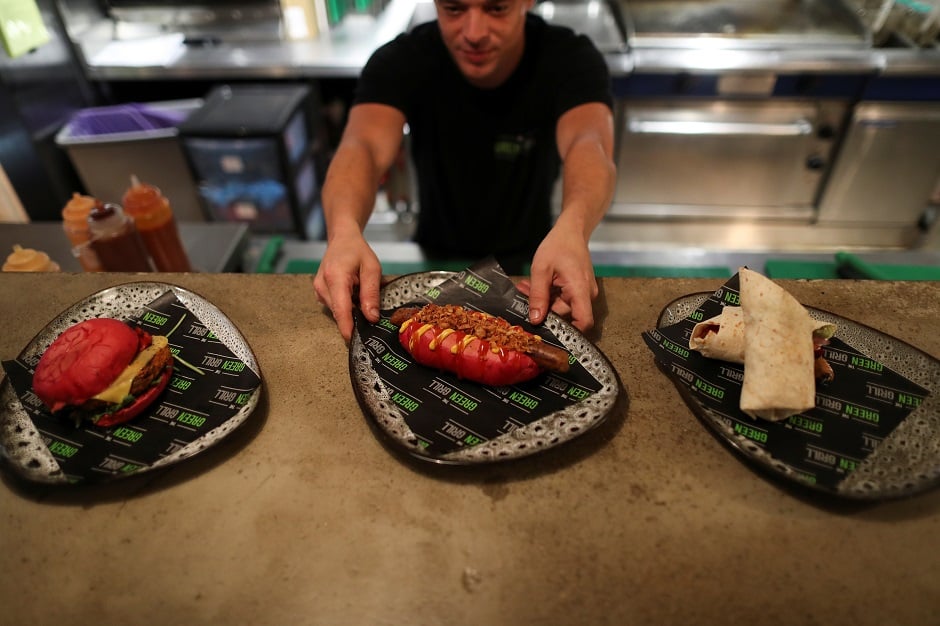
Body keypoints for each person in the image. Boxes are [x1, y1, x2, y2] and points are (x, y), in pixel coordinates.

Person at [314, 0, 616, 341]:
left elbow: (589, 145)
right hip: (435, 259)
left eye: (497, 8)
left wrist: (574, 228)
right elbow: (361, 147)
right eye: (454, 9)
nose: (474, 33)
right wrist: (343, 230)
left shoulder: (570, 58)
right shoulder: (402, 60)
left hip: (534, 264)